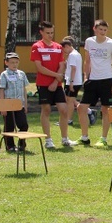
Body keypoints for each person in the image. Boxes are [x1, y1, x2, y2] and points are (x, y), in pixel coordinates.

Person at [30, 21, 76, 149]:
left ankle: (65, 138)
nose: (50, 35)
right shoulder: (36, 46)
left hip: (57, 84)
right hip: (43, 84)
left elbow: (62, 65)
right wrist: (55, 76)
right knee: (47, 110)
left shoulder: (58, 47)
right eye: (47, 33)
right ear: (41, 32)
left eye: (52, 32)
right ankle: (48, 139)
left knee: (64, 110)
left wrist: (56, 81)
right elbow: (39, 67)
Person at [77, 19, 112, 148]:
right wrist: (86, 76)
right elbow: (87, 60)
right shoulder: (89, 41)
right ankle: (84, 137)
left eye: (105, 30)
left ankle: (103, 138)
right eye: (100, 29)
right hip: (92, 80)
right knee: (81, 108)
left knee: (105, 109)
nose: (102, 32)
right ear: (94, 29)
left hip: (107, 79)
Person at [0, 52, 30, 153]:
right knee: (9, 126)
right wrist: (3, 107)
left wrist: (25, 104)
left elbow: (24, 89)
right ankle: (10, 146)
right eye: (12, 62)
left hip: (19, 104)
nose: (14, 64)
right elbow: (1, 90)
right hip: (8, 104)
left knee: (24, 124)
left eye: (16, 62)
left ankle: (22, 144)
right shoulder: (4, 75)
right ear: (6, 63)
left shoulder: (21, 74)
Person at [61, 37, 83, 126]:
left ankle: (68, 119)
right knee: (70, 99)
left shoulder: (72, 55)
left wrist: (71, 82)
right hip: (74, 81)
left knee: (69, 101)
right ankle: (88, 111)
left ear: (67, 46)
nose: (64, 52)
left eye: (64, 49)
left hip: (73, 81)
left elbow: (73, 69)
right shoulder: (76, 54)